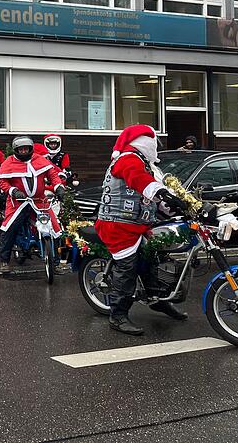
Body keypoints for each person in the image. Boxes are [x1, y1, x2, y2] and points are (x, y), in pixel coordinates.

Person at [96, 124, 188, 336]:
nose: (156, 148)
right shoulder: (128, 159)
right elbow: (138, 179)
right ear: (146, 143)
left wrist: (175, 204)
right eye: (155, 143)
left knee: (153, 259)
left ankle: (158, 299)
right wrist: (163, 193)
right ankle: (118, 316)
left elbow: (151, 192)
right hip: (118, 225)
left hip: (136, 224)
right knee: (127, 269)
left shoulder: (145, 163)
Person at [0, 136, 66, 274]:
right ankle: (4, 260)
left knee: (54, 228)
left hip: (40, 200)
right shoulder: (9, 162)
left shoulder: (39, 160)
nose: (23, 151)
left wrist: (58, 187)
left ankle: (56, 263)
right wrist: (13, 191)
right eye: (21, 149)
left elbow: (52, 174)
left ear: (30, 149)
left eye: (26, 149)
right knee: (10, 227)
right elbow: (3, 182)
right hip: (18, 202)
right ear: (16, 150)